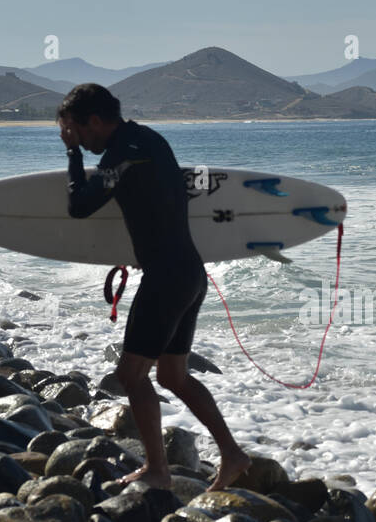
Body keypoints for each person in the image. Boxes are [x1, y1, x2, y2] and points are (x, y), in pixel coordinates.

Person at [56, 83, 250, 492]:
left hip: (166, 279)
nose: (76, 138)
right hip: (189, 274)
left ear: (93, 121)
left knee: (130, 375)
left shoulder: (120, 156)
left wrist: (72, 155)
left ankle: (158, 470)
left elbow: (79, 206)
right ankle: (233, 454)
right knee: (173, 376)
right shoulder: (149, 140)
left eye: (76, 130)